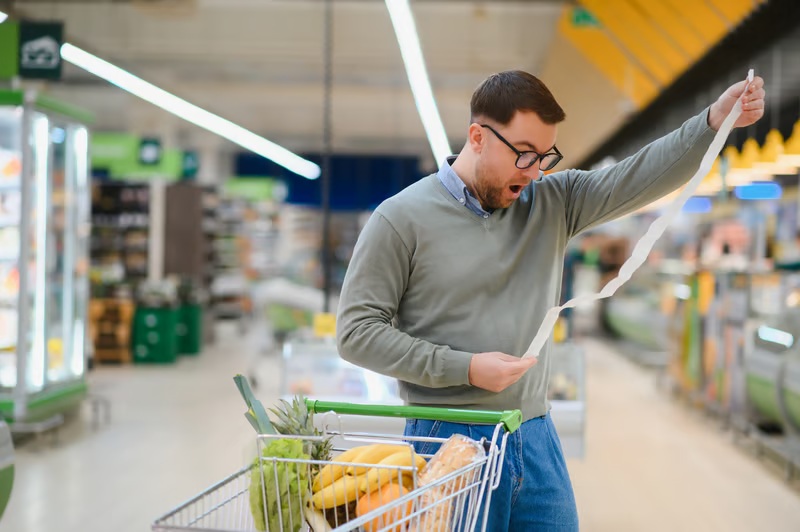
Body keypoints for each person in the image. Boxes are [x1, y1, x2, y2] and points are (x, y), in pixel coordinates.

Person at [336, 70, 765, 531]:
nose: (534, 171)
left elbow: (636, 175)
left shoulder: (553, 202)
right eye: (523, 153)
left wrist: (713, 121)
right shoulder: (400, 219)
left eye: (544, 157)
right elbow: (356, 333)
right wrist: (466, 368)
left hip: (534, 435)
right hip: (445, 436)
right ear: (477, 137)